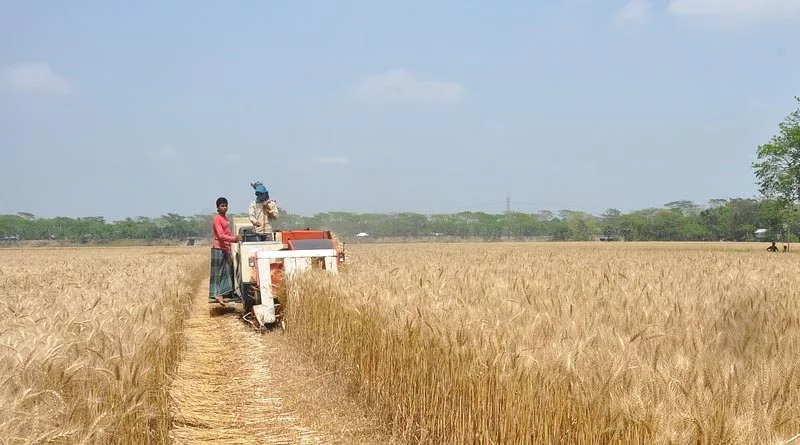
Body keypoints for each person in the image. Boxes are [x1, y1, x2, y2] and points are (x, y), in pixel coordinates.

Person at [209, 197, 240, 305]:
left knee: (227, 271)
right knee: (218, 273)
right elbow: (221, 235)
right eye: (222, 206)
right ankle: (217, 295)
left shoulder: (225, 218)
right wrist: (234, 239)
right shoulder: (217, 219)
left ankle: (224, 294)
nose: (224, 207)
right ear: (217, 207)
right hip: (218, 248)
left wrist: (233, 241)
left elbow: (227, 233)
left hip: (225, 248)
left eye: (226, 205)